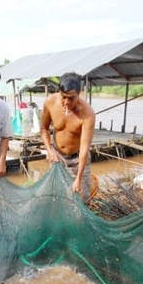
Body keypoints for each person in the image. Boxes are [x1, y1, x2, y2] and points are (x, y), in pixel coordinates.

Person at [40, 72, 95, 201]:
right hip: (57, 156)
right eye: (63, 97)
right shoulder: (50, 102)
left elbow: (85, 147)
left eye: (72, 98)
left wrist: (79, 178)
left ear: (79, 93)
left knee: (80, 197)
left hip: (77, 159)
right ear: (59, 92)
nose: (67, 102)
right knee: (54, 195)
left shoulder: (87, 114)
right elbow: (43, 128)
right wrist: (49, 150)